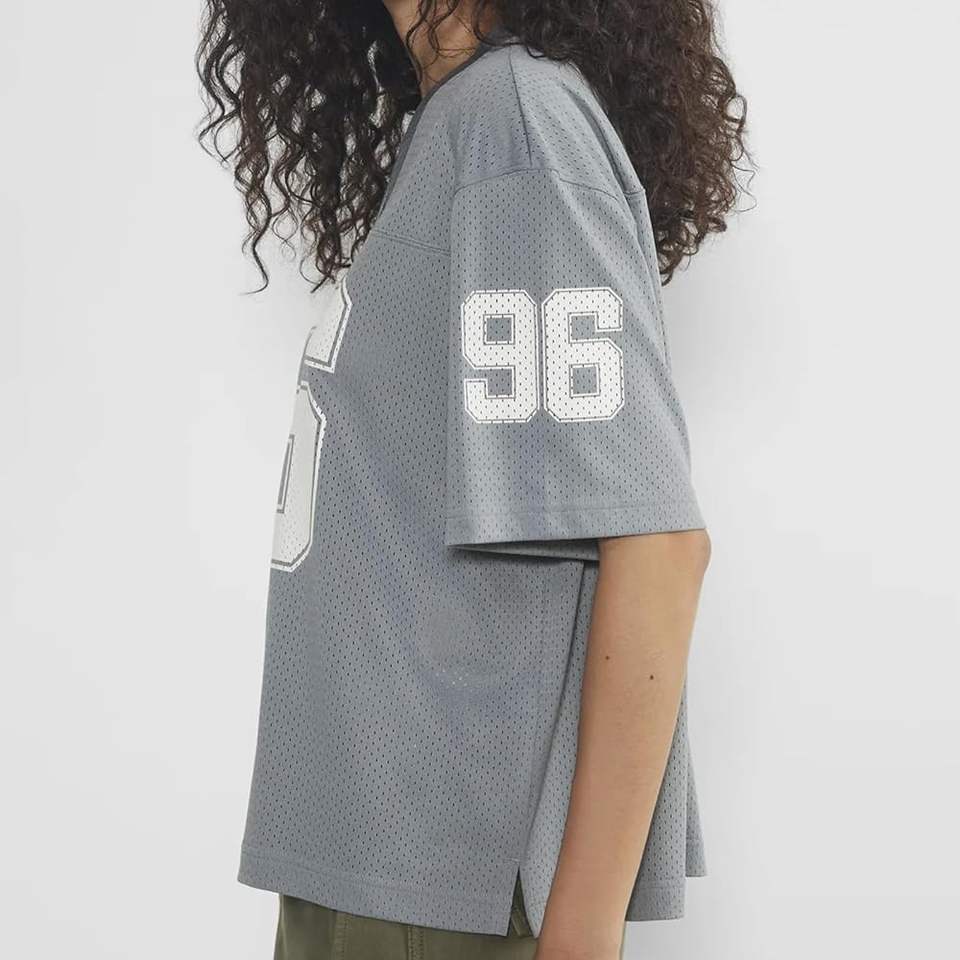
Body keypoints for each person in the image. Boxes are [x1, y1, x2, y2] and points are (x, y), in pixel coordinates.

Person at [198, 2, 747, 957]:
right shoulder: (461, 120)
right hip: (370, 858)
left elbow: (658, 546)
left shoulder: (514, 122)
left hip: (439, 884)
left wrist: (580, 937)